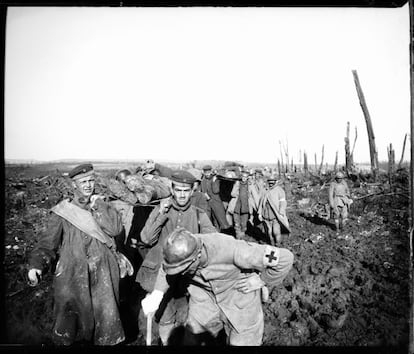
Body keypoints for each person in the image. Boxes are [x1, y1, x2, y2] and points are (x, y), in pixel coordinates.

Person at [27, 163, 132, 345]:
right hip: (73, 275)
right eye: (83, 181)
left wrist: (98, 205)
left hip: (103, 275)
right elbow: (47, 244)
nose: (88, 185)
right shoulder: (63, 211)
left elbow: (115, 230)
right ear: (74, 185)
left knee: (106, 324)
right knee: (71, 325)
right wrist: (36, 265)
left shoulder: (103, 206)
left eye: (91, 180)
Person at [141, 228, 294, 346]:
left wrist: (262, 280)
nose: (180, 273)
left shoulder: (234, 250)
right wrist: (157, 294)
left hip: (239, 295)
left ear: (197, 256)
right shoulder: (179, 255)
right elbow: (167, 269)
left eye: (184, 269)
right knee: (192, 339)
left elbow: (285, 258)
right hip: (204, 298)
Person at [136, 170, 217, 345]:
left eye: (186, 190)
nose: (182, 194)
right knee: (165, 319)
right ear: (172, 190)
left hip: (186, 278)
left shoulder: (198, 215)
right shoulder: (161, 210)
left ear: (192, 190)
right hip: (160, 274)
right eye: (178, 190)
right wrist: (160, 214)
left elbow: (213, 242)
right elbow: (146, 238)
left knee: (183, 318)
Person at [258, 175, 290, 246]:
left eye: (272, 182)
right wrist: (260, 213)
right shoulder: (264, 190)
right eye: (269, 182)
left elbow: (283, 202)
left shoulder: (279, 190)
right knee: (269, 232)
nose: (271, 184)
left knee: (276, 231)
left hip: (275, 215)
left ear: (275, 182)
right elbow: (261, 202)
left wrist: (281, 212)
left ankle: (277, 244)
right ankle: (271, 243)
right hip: (266, 214)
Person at [200, 165, 231, 232]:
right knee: (208, 219)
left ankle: (218, 233)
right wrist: (206, 196)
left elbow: (216, 191)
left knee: (217, 218)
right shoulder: (203, 180)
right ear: (204, 173)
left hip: (216, 201)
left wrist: (214, 182)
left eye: (208, 172)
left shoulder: (215, 179)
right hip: (207, 202)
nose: (207, 174)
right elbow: (203, 191)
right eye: (206, 172)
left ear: (211, 171)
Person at [227, 169, 255, 239]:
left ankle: (242, 236)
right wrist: (236, 189)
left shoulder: (250, 185)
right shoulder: (237, 183)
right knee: (236, 224)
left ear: (248, 177)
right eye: (243, 176)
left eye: (245, 177)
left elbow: (253, 195)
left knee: (244, 224)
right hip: (236, 206)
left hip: (245, 207)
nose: (244, 178)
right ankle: (238, 238)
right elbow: (232, 194)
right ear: (241, 176)